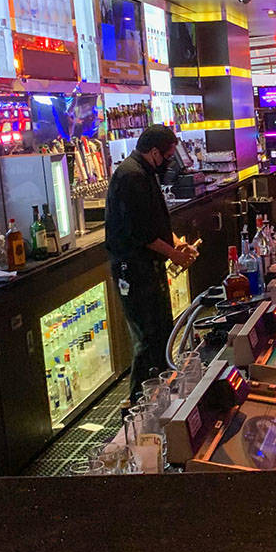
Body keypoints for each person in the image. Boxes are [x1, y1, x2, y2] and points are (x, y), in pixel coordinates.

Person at [105, 125, 197, 402]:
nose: (170, 161)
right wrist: (174, 254)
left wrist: (175, 241)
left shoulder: (143, 172)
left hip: (147, 268)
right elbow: (141, 233)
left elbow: (153, 220)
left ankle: (160, 394)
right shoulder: (131, 176)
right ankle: (140, 402)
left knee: (160, 332)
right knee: (147, 337)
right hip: (133, 269)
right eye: (168, 155)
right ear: (154, 152)